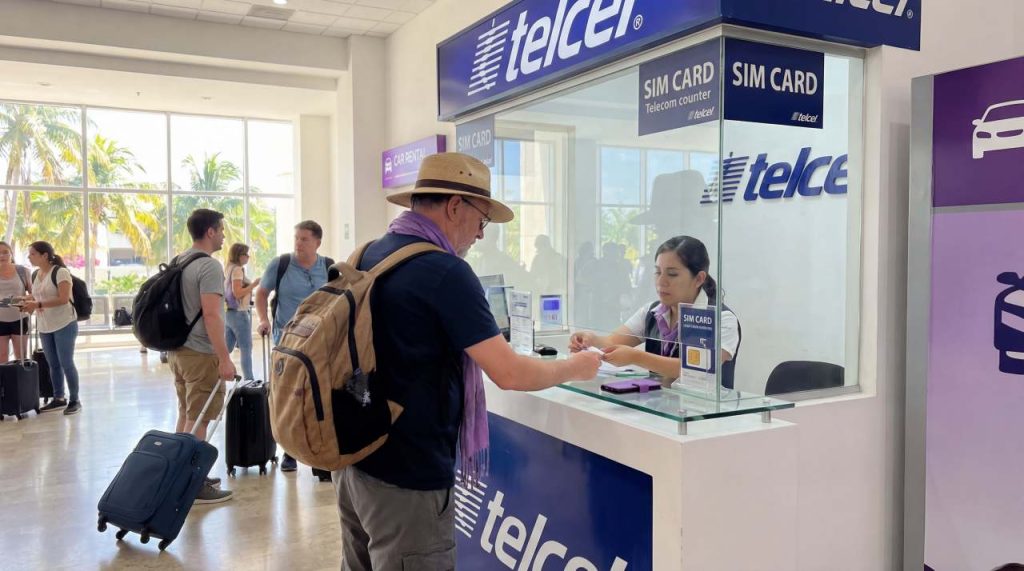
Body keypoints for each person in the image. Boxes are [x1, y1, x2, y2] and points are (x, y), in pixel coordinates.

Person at [334, 152, 601, 571]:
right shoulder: (445, 273)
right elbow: (509, 372)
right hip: (408, 477)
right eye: (482, 220)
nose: (480, 234)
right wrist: (575, 368)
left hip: (355, 461)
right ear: (455, 205)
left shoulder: (368, 252)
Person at [569, 235, 741, 388]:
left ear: (699, 279)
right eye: (657, 272)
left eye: (672, 274)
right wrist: (591, 341)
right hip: (659, 408)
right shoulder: (651, 311)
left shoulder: (722, 320)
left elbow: (696, 369)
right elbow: (611, 342)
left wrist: (636, 357)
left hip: (705, 416)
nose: (661, 281)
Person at [167, 208, 236, 504]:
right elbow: (211, 315)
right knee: (200, 420)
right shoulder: (208, 266)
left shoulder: (180, 260)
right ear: (210, 231)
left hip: (179, 350)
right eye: (220, 230)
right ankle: (194, 484)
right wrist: (224, 358)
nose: (222, 235)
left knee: (186, 414)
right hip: (200, 353)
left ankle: (179, 476)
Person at [255, 220, 333, 473]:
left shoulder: (329, 267)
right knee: (289, 396)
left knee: (319, 396)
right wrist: (264, 319)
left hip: (320, 343)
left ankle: (319, 454)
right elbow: (261, 293)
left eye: (304, 239)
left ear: (317, 242)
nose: (298, 243)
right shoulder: (282, 264)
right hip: (287, 343)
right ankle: (289, 451)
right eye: (296, 238)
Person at [22, 242, 81, 415]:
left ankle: (75, 400)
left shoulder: (60, 272)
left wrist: (37, 303)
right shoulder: (35, 275)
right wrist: (26, 300)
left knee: (66, 362)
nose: (29, 257)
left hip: (64, 323)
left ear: (44, 255)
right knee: (52, 364)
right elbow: (38, 295)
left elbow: (63, 299)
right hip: (45, 324)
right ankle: (58, 398)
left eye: (32, 254)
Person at [223, 243, 259, 380]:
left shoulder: (228, 268)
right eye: (246, 254)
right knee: (246, 348)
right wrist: (254, 285)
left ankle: (213, 372)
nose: (248, 257)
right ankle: (250, 381)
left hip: (230, 313)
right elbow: (237, 293)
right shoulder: (238, 269)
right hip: (240, 313)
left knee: (227, 348)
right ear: (239, 255)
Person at [0, 242, 32, 361]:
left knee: (21, 357)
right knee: (2, 357)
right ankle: (4, 380)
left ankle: (20, 380)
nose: (2, 256)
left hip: (20, 319)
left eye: (5, 252)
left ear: (11, 254)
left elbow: (34, 294)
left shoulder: (23, 271)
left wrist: (21, 299)